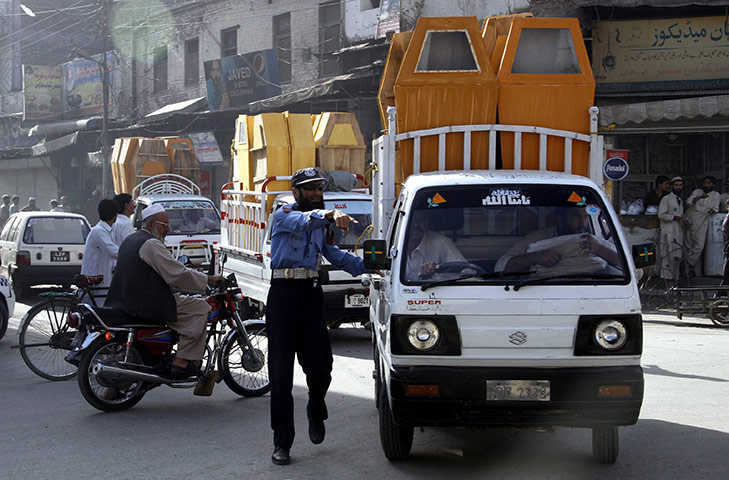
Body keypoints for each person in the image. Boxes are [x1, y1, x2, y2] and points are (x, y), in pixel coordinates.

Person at [266, 168, 374, 466]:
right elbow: (302, 221)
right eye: (310, 188)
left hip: (311, 293)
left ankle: (316, 407)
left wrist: (369, 266)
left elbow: (334, 254)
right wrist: (328, 215)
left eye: (319, 188)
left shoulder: (319, 223)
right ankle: (282, 442)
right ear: (297, 192)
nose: (316, 192)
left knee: (321, 366)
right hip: (284, 295)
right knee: (280, 374)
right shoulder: (285, 214)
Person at [105, 204, 224, 376]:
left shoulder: (132, 239)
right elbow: (177, 274)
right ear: (151, 224)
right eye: (164, 225)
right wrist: (208, 279)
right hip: (148, 302)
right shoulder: (150, 244)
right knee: (200, 307)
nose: (167, 229)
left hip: (126, 299)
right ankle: (182, 361)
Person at [495, 206, 620, 273]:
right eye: (575, 217)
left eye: (585, 217)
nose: (582, 223)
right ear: (559, 220)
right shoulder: (540, 238)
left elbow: (627, 267)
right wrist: (536, 257)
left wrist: (599, 250)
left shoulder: (592, 241)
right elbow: (501, 266)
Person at [405, 209, 467, 281]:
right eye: (412, 221)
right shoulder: (396, 243)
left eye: (420, 220)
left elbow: (466, 272)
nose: (415, 225)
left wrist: (439, 272)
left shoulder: (442, 243)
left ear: (426, 223)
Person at [80, 199, 119, 303]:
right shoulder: (99, 231)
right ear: (115, 215)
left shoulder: (106, 230)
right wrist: (131, 252)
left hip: (102, 276)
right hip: (96, 277)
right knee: (95, 308)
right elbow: (114, 252)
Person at [684, 176, 721, 276]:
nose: (706, 185)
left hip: (703, 221)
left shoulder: (715, 195)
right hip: (690, 220)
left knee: (699, 246)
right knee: (688, 245)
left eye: (708, 183)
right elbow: (688, 202)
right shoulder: (697, 192)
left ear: (713, 185)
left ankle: (688, 263)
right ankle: (687, 272)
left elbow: (715, 209)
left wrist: (712, 211)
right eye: (705, 183)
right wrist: (700, 197)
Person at [658, 177, 690, 289]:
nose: (678, 187)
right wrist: (676, 218)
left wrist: (684, 222)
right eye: (676, 185)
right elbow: (661, 215)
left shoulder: (680, 200)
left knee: (677, 258)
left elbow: (680, 218)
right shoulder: (666, 199)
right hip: (668, 234)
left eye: (680, 185)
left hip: (678, 233)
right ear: (672, 186)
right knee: (668, 259)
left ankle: (675, 287)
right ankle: (669, 288)